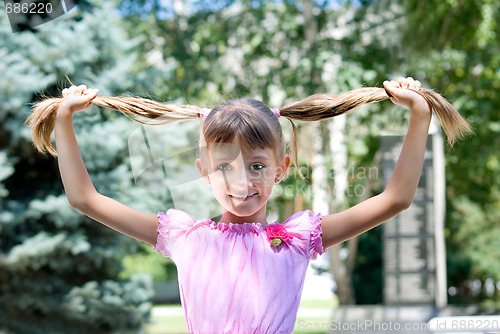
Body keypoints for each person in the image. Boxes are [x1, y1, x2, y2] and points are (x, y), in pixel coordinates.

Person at [27, 77, 470, 333]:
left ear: (282, 168)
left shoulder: (299, 239)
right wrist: (63, 118)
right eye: (224, 168)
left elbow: (396, 198)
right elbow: (84, 198)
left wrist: (419, 115)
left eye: (257, 166)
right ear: (203, 169)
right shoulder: (184, 238)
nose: (241, 182)